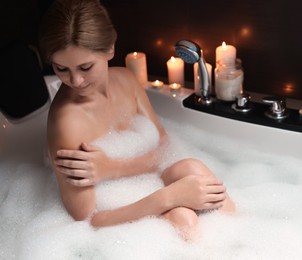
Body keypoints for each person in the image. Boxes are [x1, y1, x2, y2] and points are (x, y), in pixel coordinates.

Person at [39, 0, 235, 239]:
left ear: (110, 49)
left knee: (193, 168)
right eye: (62, 69)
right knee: (183, 218)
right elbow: (87, 220)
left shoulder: (125, 79)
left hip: (139, 183)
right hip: (113, 214)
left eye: (85, 67)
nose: (76, 81)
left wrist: (111, 168)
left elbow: (164, 145)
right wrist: (169, 197)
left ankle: (243, 241)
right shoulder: (67, 123)